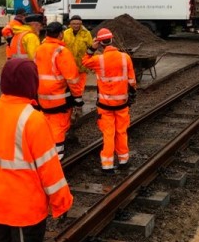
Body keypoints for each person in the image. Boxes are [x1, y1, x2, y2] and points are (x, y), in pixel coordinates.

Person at [0, 58, 73, 242]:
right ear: (31, 83)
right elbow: (50, 171)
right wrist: (61, 204)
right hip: (24, 211)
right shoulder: (33, 120)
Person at [82, 28, 137, 174]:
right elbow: (132, 80)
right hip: (122, 103)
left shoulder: (98, 60)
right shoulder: (125, 57)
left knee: (108, 133)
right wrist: (132, 93)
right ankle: (124, 160)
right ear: (112, 40)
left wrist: (91, 49)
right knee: (121, 131)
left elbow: (84, 61)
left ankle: (107, 165)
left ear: (100, 43)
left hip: (105, 105)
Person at [35, 21, 84, 161]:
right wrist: (78, 99)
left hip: (41, 96)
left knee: (46, 123)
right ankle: (57, 155)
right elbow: (72, 78)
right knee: (59, 125)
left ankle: (45, 150)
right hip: (59, 97)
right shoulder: (62, 52)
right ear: (60, 34)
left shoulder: (40, 49)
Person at [62, 15, 93, 95]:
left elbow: (91, 47)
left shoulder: (87, 34)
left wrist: (90, 63)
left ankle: (78, 101)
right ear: (70, 24)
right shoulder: (65, 33)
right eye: (74, 24)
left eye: (78, 24)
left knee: (80, 86)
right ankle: (72, 101)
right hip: (69, 65)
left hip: (82, 65)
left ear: (81, 24)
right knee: (69, 85)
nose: (76, 25)